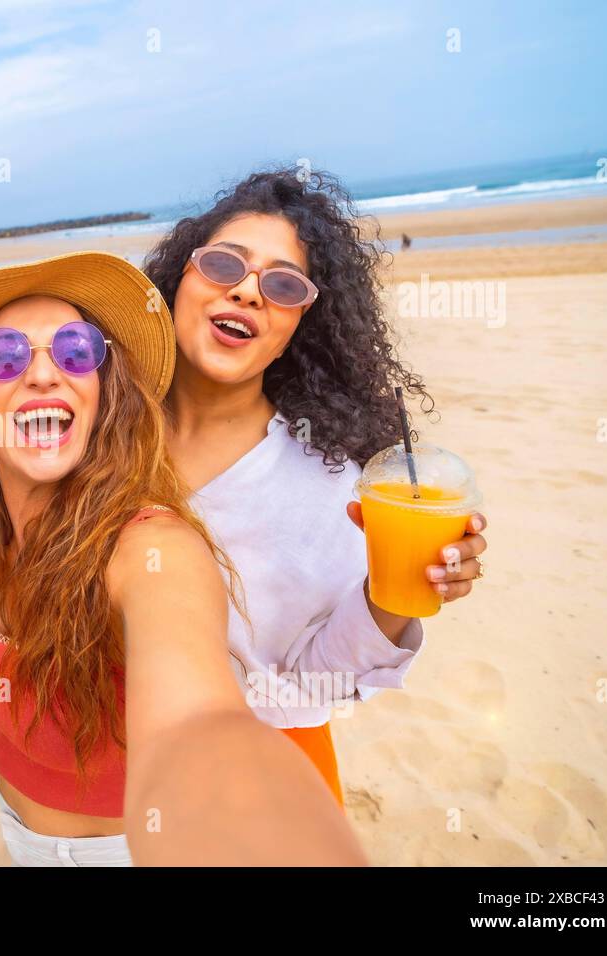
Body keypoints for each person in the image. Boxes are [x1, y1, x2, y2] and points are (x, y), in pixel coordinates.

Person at [0, 252, 364, 866]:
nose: (42, 375)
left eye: (75, 352)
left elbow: (199, 727)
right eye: (6, 356)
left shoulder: (149, 550)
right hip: (18, 837)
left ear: (100, 392)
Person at [141, 167, 491, 802]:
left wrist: (393, 597)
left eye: (283, 284)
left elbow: (310, 683)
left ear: (304, 325)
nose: (248, 292)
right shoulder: (102, 432)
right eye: (224, 265)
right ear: (178, 279)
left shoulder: (334, 482)